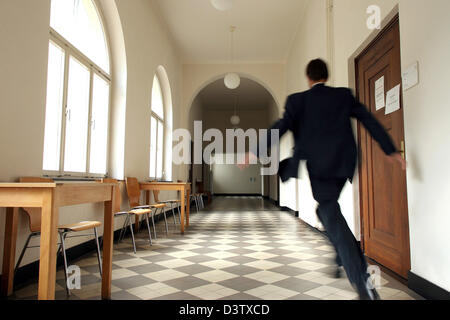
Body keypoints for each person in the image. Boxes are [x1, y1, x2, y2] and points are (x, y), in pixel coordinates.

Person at [239, 59, 406, 300]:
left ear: (308, 77)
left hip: (320, 167)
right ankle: (340, 256)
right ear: (326, 76)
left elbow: (280, 126)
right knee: (328, 209)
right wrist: (390, 150)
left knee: (329, 213)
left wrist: (255, 151)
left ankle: (364, 285)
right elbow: (368, 119)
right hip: (344, 164)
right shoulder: (343, 96)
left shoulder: (298, 101)